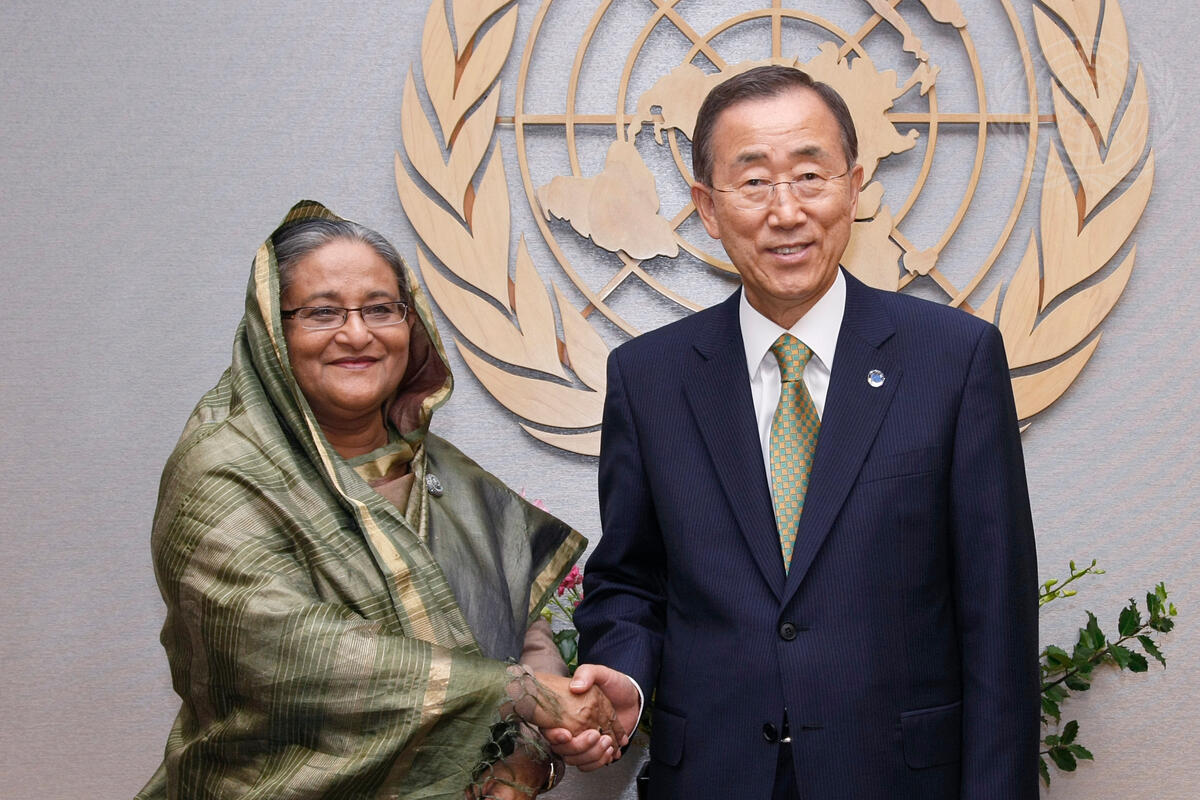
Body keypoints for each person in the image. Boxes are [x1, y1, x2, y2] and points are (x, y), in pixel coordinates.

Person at [554, 66, 1040, 798]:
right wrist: (625, 673)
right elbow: (631, 579)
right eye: (753, 182)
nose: (786, 212)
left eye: (811, 176)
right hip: (712, 778)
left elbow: (996, 616)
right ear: (707, 207)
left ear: (855, 186)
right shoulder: (649, 378)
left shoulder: (953, 359)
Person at [136, 201, 624, 800]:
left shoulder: (452, 479)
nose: (357, 334)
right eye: (322, 312)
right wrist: (521, 693)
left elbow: (527, 637)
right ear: (272, 331)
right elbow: (290, 653)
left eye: (380, 309)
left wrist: (537, 748)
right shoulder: (223, 473)